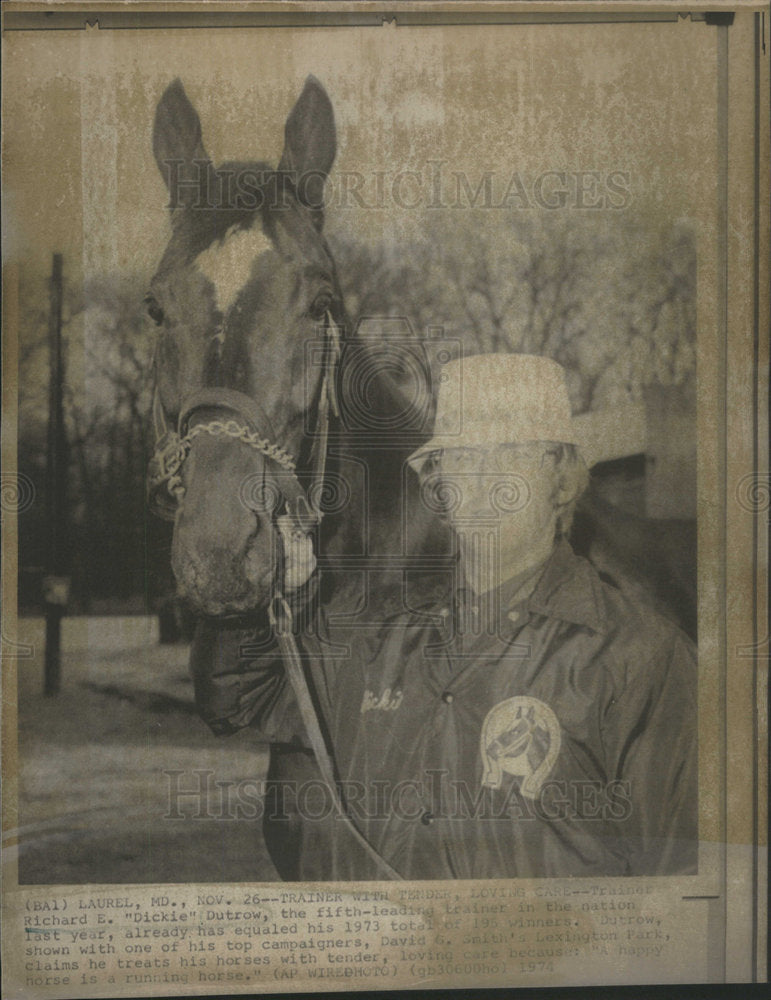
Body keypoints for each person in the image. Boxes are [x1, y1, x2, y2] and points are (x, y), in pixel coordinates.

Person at [191, 354, 697, 879]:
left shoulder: (643, 658)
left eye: (508, 455)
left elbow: (681, 882)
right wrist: (278, 593)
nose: (480, 482)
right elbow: (236, 698)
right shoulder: (375, 635)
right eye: (458, 458)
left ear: (563, 484)